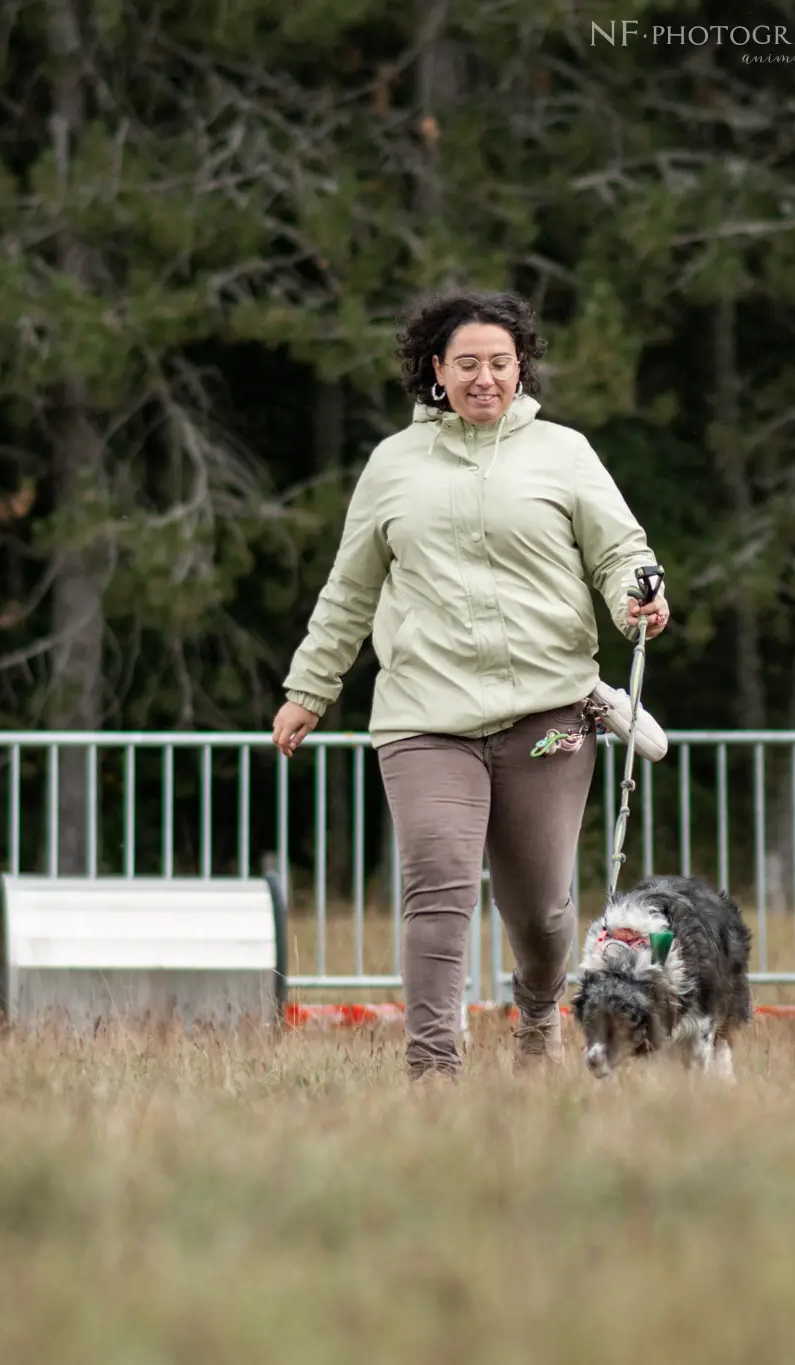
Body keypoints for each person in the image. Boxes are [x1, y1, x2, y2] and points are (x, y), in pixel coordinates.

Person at [270, 290, 670, 1078]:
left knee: (543, 910)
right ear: (436, 371)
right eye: (467, 364)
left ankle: (537, 1012)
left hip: (548, 712)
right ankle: (433, 1072)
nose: (484, 378)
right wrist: (308, 689)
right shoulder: (393, 464)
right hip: (425, 715)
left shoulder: (564, 452)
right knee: (438, 892)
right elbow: (350, 590)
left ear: (520, 368)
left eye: (499, 363)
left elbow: (621, 551)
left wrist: (640, 599)